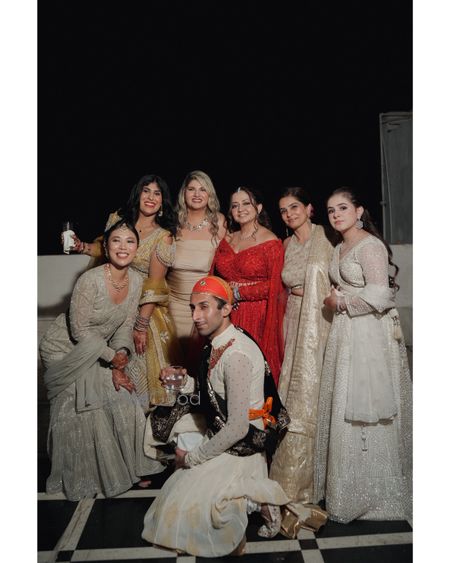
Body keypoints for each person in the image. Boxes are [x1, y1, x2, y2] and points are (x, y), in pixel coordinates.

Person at [141, 276, 291, 557]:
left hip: (243, 440)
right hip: (224, 426)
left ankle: (260, 498)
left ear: (226, 309)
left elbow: (237, 428)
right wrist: (178, 382)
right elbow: (210, 393)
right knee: (165, 422)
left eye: (204, 307)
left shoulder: (236, 355)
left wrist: (193, 458)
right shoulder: (218, 341)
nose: (196, 316)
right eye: (193, 308)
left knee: (182, 513)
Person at [39, 219, 164, 501]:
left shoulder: (136, 281)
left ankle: (131, 467)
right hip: (65, 351)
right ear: (106, 248)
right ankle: (89, 477)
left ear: (136, 248)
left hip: (100, 352)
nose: (123, 247)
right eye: (116, 241)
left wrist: (121, 357)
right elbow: (79, 330)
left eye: (129, 241)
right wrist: (113, 360)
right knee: (88, 406)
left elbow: (125, 325)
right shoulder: (90, 280)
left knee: (124, 398)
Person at [313, 187, 412, 523]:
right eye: (331, 210)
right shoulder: (339, 246)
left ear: (359, 211)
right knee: (345, 402)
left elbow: (381, 295)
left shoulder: (369, 245)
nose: (336, 215)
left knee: (367, 404)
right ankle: (346, 491)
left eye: (343, 208)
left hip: (369, 334)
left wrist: (339, 303)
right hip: (347, 332)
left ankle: (378, 493)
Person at [67, 174, 180, 410]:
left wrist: (140, 325)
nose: (150, 197)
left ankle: (141, 418)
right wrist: (82, 246)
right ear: (137, 194)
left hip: (143, 308)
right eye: (146, 191)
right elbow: (104, 248)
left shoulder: (164, 237)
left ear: (163, 201)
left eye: (157, 193)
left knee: (137, 367)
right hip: (112, 300)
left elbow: (155, 284)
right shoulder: (118, 219)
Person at [269, 187, 333, 536]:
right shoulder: (285, 245)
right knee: (290, 391)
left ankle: (314, 478)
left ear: (309, 208)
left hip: (320, 321)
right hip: (292, 318)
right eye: (283, 210)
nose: (289, 214)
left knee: (313, 392)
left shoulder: (326, 240)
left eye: (295, 207)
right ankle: (285, 473)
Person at [209, 187, 285, 385]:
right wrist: (223, 295)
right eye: (235, 205)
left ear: (258, 208)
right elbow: (214, 277)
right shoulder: (227, 239)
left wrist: (239, 293)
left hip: (255, 314)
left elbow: (275, 286)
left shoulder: (270, 241)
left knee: (248, 367)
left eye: (246, 203)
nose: (240, 209)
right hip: (226, 313)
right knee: (223, 367)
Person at [166, 170, 227, 366]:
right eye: (191, 189)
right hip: (172, 305)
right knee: (172, 361)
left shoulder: (219, 222)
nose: (197, 194)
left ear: (210, 194)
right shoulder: (173, 222)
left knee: (199, 364)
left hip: (206, 306)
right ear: (184, 193)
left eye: (202, 189)